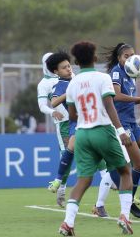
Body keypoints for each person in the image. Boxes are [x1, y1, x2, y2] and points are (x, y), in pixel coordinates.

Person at [58, 41, 134, 236]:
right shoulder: (103, 77)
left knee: (83, 180)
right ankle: (125, 216)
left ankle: (68, 223)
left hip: (82, 133)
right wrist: (121, 131)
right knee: (125, 171)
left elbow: (72, 115)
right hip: (103, 130)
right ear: (95, 58)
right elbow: (110, 106)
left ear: (76, 61)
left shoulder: (73, 83)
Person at [93, 43, 140, 218]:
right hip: (121, 125)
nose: (130, 58)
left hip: (133, 124)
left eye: (132, 55)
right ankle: (130, 201)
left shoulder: (131, 74)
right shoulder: (116, 72)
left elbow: (127, 100)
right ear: (119, 58)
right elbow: (116, 96)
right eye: (126, 56)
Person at [46, 51, 108, 204]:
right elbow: (53, 103)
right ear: (56, 72)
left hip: (94, 120)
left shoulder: (78, 79)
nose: (68, 69)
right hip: (77, 122)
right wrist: (69, 92)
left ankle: (107, 194)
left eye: (69, 66)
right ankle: (58, 180)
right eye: (63, 68)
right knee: (71, 148)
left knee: (103, 162)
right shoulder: (62, 85)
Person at [37, 52, 69, 207]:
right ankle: (61, 190)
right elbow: (42, 106)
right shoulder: (43, 84)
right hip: (63, 124)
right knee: (67, 156)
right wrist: (52, 111)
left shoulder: (68, 75)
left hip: (80, 120)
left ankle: (110, 182)